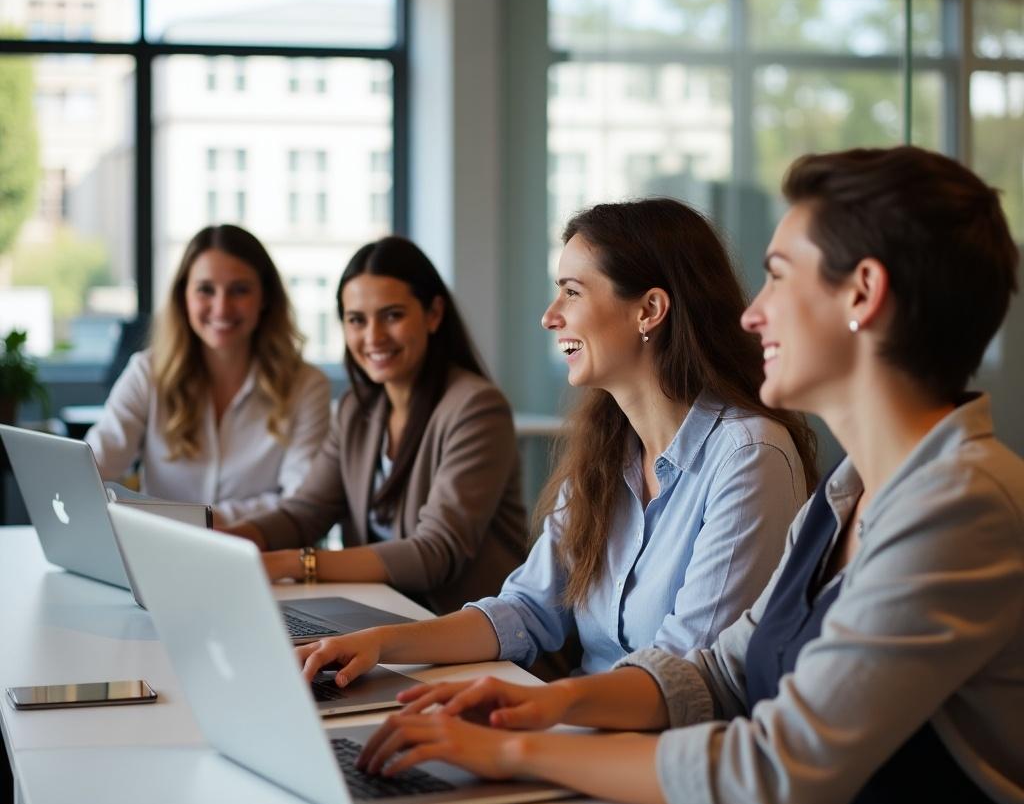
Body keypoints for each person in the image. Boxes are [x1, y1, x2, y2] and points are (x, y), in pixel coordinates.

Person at [359, 146, 1024, 804]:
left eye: (776, 277)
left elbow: (776, 769)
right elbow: (718, 671)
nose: (753, 313)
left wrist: (518, 751)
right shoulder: (847, 497)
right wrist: (550, 706)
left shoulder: (960, 505)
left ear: (862, 294)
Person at [297, 199, 817, 682]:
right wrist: (378, 644)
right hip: (580, 725)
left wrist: (523, 711)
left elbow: (680, 677)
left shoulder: (748, 456)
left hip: (657, 754)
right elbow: (527, 609)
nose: (550, 316)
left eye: (572, 291)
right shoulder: (609, 451)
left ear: (649, 310)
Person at [225, 236, 527, 614]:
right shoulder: (357, 410)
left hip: (469, 636)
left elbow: (434, 553)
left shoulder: (476, 408)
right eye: (356, 320)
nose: (373, 337)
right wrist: (226, 543)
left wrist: (293, 564)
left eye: (392, 315)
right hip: (381, 619)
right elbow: (305, 512)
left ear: (433, 314)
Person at [86, 224, 330, 525]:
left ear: (265, 298)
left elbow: (300, 502)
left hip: (262, 557)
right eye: (205, 290)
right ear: (183, 296)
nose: (221, 307)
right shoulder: (148, 372)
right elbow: (93, 467)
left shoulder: (307, 386)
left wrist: (192, 519)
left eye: (240, 290)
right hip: (159, 553)